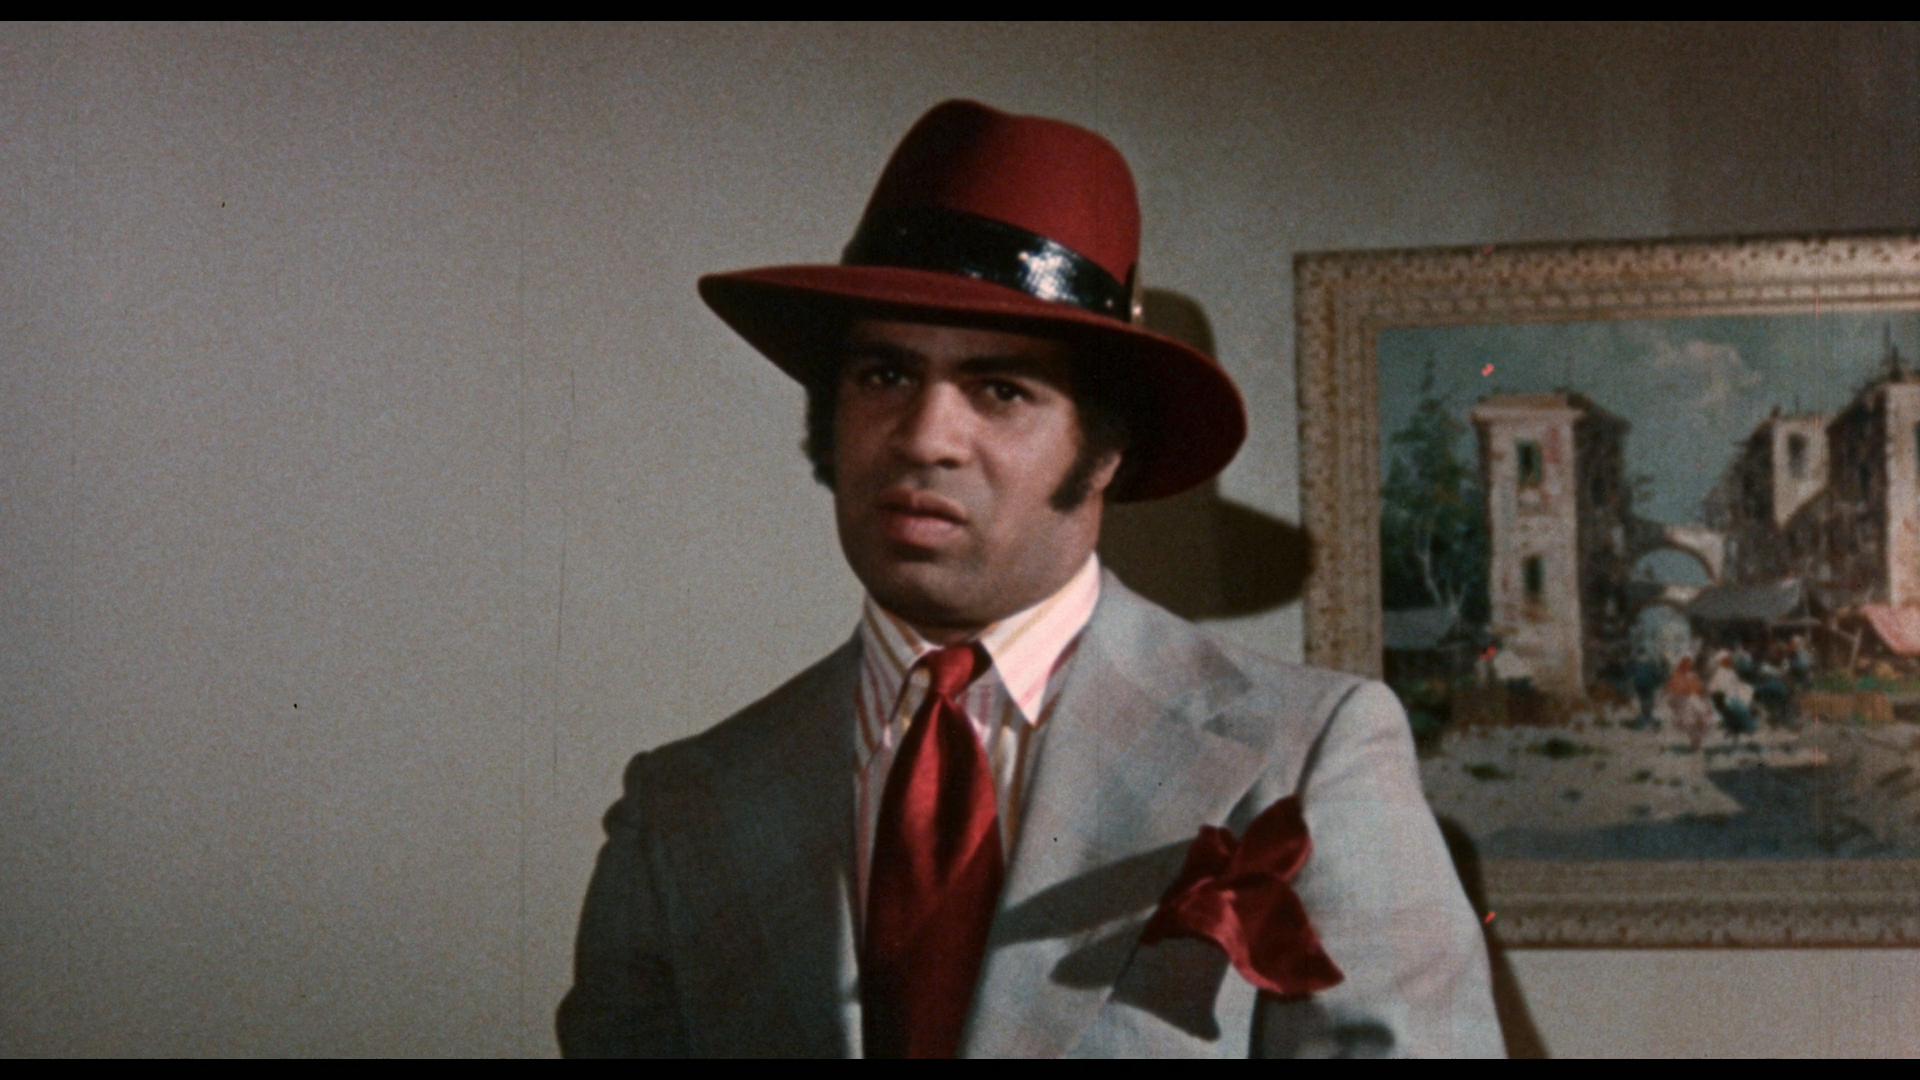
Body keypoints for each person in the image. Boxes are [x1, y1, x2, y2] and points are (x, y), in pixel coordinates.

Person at [556, 100, 1500, 1058]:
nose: (925, 438)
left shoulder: (1310, 752)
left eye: (1000, 389)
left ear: (1105, 449)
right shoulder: (680, 811)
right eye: (884, 376)